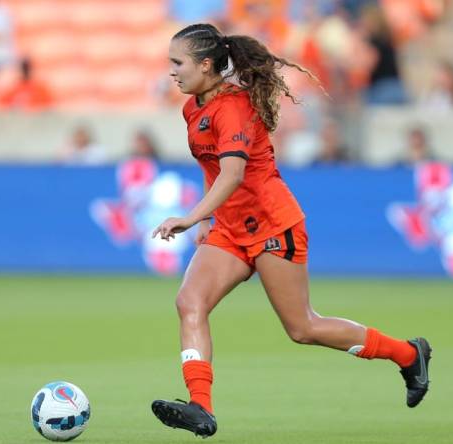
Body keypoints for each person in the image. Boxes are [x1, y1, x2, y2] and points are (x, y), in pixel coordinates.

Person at [149, 23, 432, 438]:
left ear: (206, 64)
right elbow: (211, 168)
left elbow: (232, 173)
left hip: (272, 225)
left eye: (178, 63)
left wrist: (191, 216)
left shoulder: (233, 108)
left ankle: (408, 354)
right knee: (189, 302)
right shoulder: (193, 108)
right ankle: (201, 408)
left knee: (303, 328)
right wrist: (209, 219)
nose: (171, 71)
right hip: (230, 228)